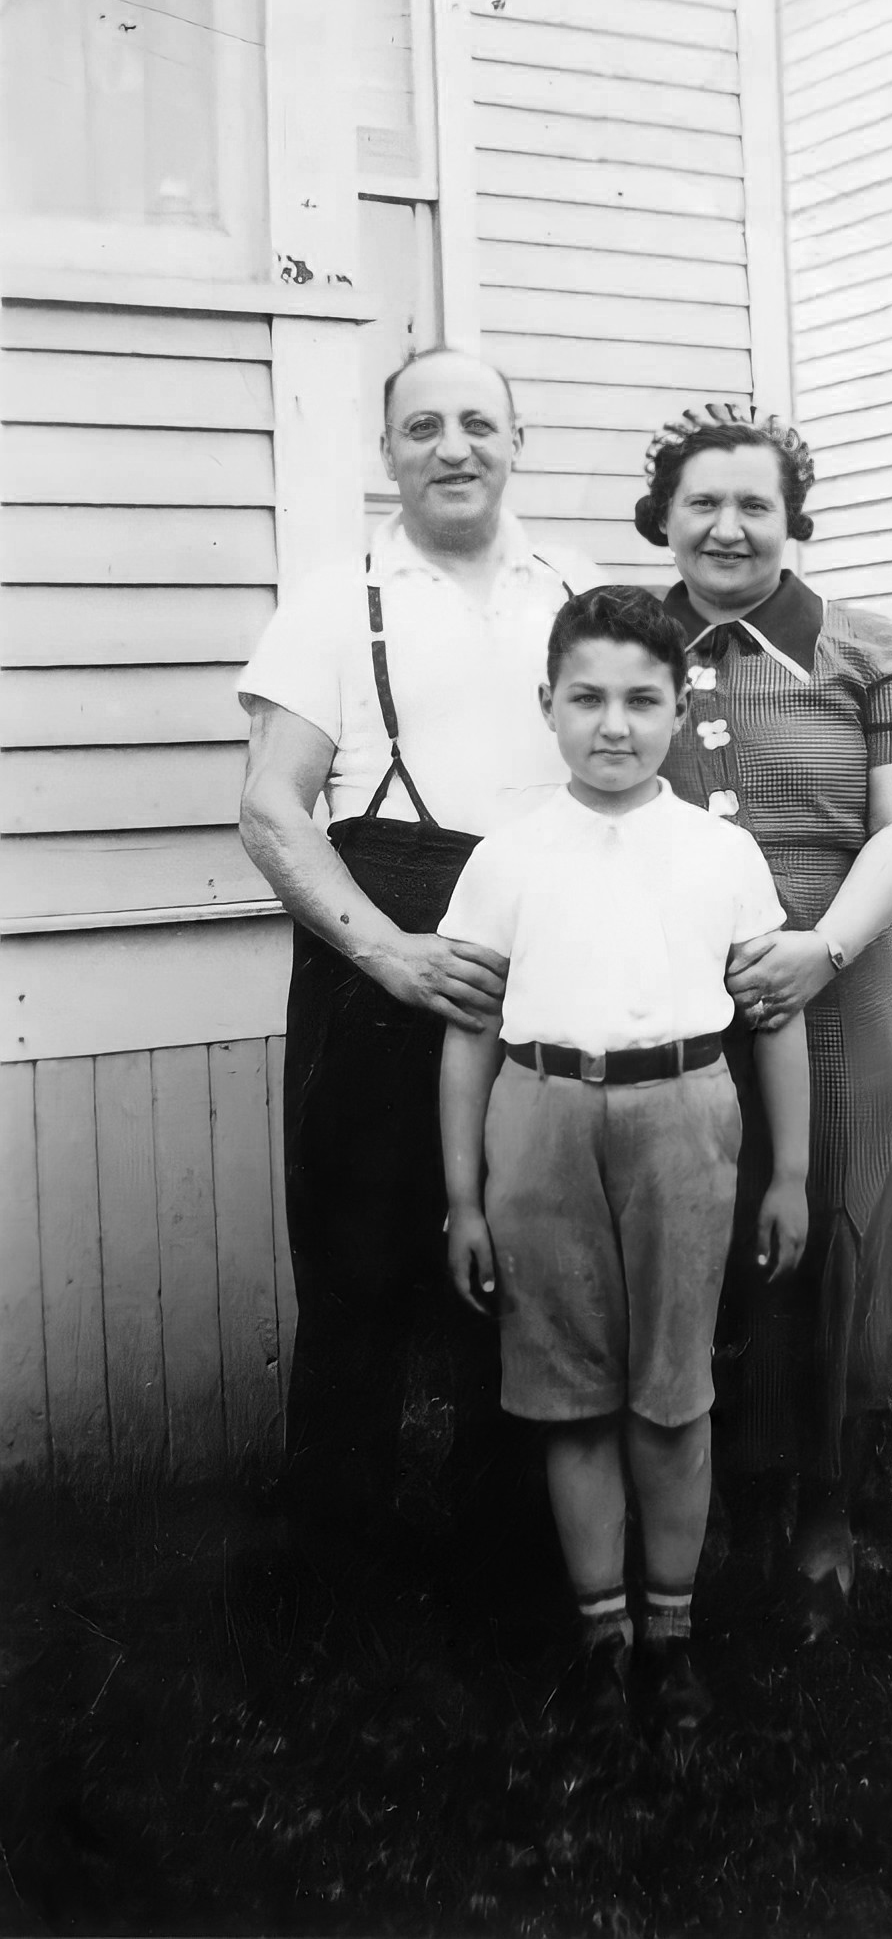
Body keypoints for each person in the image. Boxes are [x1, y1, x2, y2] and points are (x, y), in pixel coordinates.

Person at [237, 347, 600, 1540]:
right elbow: (272, 807)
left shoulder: (576, 589)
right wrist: (388, 952)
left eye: (479, 424)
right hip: (384, 954)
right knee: (359, 1273)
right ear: (385, 450)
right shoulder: (336, 599)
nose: (454, 446)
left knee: (532, 1267)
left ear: (517, 441)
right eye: (424, 426)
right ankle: (333, 1579)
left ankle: (506, 1562)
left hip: (546, 963)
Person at [437, 586, 811, 1733]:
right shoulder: (506, 854)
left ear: (677, 704)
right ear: (546, 705)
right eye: (587, 698)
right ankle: (603, 1638)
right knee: (570, 1397)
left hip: (684, 1117)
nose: (614, 724)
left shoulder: (722, 849)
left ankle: (674, 1633)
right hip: (540, 1117)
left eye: (643, 699)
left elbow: (775, 1018)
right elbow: (468, 1032)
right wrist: (463, 1197)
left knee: (672, 1390)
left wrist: (790, 1172)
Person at [633, 404, 892, 1627]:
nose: (726, 525)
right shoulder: (625, 637)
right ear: (663, 515)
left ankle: (825, 1506)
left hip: (835, 984)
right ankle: (711, 1510)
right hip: (671, 999)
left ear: (793, 518)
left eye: (754, 502)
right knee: (700, 1254)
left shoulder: (867, 648)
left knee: (837, 1245)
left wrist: (823, 947)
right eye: (701, 501)